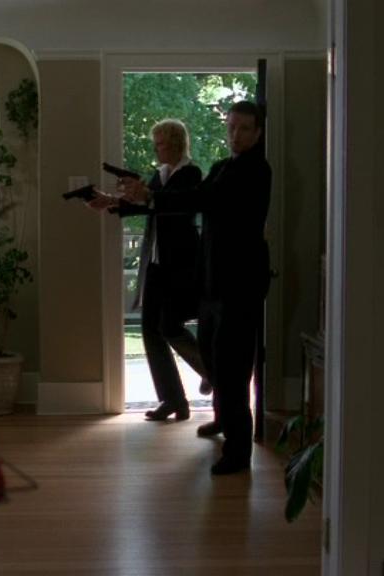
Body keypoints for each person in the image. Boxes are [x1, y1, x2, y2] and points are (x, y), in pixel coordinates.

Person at [120, 101, 271, 475]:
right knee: (213, 357)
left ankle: (238, 452)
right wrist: (143, 198)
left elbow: (202, 199)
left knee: (233, 368)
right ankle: (221, 419)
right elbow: (195, 198)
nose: (235, 135)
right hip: (212, 283)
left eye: (244, 129)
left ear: (258, 132)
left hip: (240, 286)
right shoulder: (221, 167)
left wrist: (151, 196)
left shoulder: (256, 170)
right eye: (231, 127)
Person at [88, 119, 209, 422]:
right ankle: (173, 400)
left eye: (161, 144)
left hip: (180, 264)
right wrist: (110, 201)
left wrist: (146, 195)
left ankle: (211, 371)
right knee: (150, 331)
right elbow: (146, 205)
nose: (156, 149)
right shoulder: (161, 174)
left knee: (170, 326)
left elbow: (170, 205)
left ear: (176, 144)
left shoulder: (190, 174)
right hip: (156, 264)